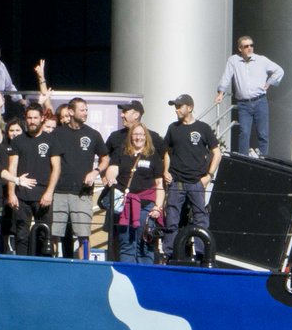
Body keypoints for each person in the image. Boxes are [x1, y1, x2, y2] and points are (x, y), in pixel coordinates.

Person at [42, 97, 107, 259]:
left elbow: (105, 158)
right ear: (71, 112)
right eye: (82, 109)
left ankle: (84, 268)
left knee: (83, 235)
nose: (85, 113)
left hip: (82, 193)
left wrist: (96, 171)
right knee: (55, 233)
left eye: (86, 110)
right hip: (59, 191)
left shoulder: (93, 134)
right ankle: (55, 265)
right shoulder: (57, 133)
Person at [163, 94, 221, 262]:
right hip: (176, 182)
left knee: (200, 218)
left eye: (179, 106)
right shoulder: (173, 128)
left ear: (189, 107)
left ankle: (203, 255)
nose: (176, 109)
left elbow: (216, 153)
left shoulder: (203, 128)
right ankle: (170, 255)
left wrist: (209, 176)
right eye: (175, 106)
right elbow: (167, 151)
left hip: (196, 182)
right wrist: (166, 171)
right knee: (172, 220)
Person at [215, 35, 284, 156]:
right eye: (246, 46)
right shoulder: (234, 60)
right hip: (244, 103)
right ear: (240, 48)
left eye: (251, 45)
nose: (250, 48)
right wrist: (221, 93)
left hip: (260, 100)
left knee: (263, 133)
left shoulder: (261, 60)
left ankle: (263, 158)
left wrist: (269, 83)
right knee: (244, 132)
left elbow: (279, 70)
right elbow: (226, 76)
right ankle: (243, 158)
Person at [107, 123, 165, 264]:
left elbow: (159, 184)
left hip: (146, 205)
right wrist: (110, 177)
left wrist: (158, 207)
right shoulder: (122, 152)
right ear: (130, 136)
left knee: (145, 245)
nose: (138, 137)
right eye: (135, 134)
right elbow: (112, 169)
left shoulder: (153, 156)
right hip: (124, 204)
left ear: (146, 137)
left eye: (141, 134)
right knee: (126, 245)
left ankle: (145, 279)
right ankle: (128, 277)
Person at [7, 104, 54, 256]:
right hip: (22, 195)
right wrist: (11, 193)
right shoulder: (18, 141)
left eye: (35, 118)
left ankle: (43, 268)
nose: (32, 121)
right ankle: (21, 268)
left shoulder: (51, 140)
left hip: (43, 196)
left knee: (44, 234)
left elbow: (57, 168)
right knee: (21, 235)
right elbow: (12, 168)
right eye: (29, 118)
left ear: (42, 118)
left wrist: (49, 193)